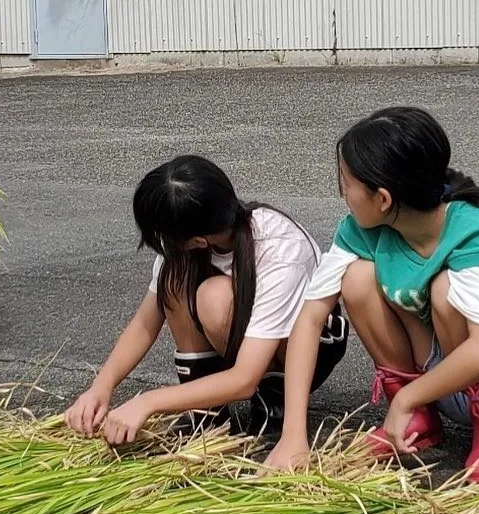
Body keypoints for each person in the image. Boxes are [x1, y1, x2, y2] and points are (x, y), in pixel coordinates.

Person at [265, 107, 479, 483]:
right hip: (448, 379)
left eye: (345, 182)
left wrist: (404, 399)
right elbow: (311, 317)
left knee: (447, 290)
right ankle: (422, 420)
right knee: (357, 278)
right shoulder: (363, 229)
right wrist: (293, 435)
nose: (341, 193)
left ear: (382, 198)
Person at [65, 156, 350, 444]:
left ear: (200, 240)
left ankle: (276, 406)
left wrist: (148, 402)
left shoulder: (280, 253)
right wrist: (101, 387)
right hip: (247, 345)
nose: (162, 244)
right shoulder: (191, 247)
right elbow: (144, 323)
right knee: (175, 279)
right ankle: (208, 414)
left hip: (309, 353)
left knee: (214, 296)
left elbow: (244, 379)